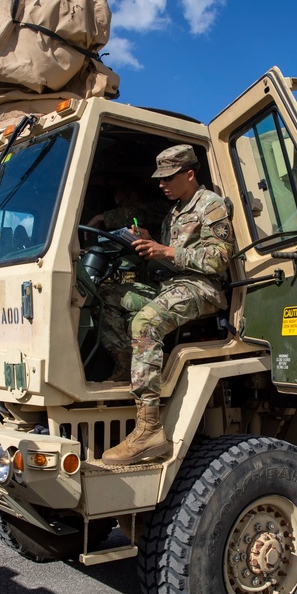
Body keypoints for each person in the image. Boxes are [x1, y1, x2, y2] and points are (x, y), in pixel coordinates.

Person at [100, 144, 234, 466]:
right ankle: (126, 368)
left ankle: (149, 429)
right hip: (172, 284)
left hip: (202, 288)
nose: (161, 184)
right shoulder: (174, 212)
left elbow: (219, 259)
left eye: (168, 178)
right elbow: (168, 254)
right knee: (108, 295)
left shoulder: (210, 205)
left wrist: (167, 252)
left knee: (145, 322)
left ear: (189, 174)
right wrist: (146, 240)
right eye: (159, 178)